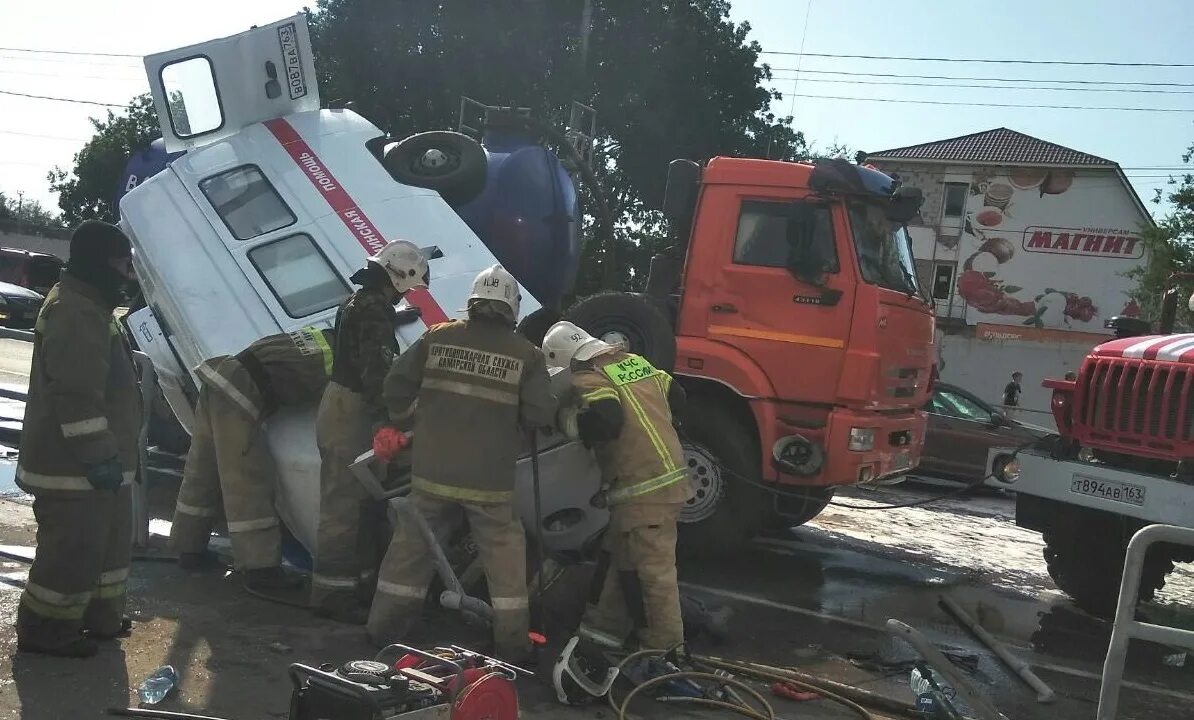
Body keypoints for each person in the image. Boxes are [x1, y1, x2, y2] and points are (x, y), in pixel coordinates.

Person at [366, 265, 555, 660]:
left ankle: (384, 630)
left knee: (411, 548)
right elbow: (540, 415)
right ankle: (512, 645)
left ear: (473, 300)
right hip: (488, 482)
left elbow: (395, 384)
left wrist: (401, 423)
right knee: (504, 561)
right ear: (512, 308)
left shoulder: (438, 337)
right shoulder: (527, 355)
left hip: (432, 472)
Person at [15, 220, 143, 657]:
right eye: (123, 262)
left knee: (104, 554)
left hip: (97, 466)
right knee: (70, 555)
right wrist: (99, 454)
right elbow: (76, 395)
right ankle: (46, 630)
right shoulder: (74, 310)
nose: (129, 272)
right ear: (101, 262)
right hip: (72, 469)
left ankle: (99, 619)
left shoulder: (92, 304)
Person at [541, 321, 691, 651]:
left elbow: (607, 420)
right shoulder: (635, 362)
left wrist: (565, 421)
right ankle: (602, 637)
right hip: (665, 481)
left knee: (654, 576)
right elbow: (678, 397)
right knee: (621, 564)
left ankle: (667, 655)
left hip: (643, 490)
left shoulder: (588, 376)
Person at [311, 239, 429, 623]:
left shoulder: (357, 302)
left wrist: (395, 318)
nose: (404, 295)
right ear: (397, 278)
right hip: (353, 408)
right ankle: (331, 596)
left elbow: (365, 331)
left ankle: (356, 585)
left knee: (358, 502)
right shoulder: (374, 313)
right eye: (406, 288)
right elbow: (376, 373)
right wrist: (386, 424)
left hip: (340, 400)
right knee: (343, 504)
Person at [170, 325, 335, 589]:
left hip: (219, 380)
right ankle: (260, 569)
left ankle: (188, 549)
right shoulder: (346, 358)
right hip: (239, 392)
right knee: (246, 481)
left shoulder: (320, 336)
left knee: (201, 473)